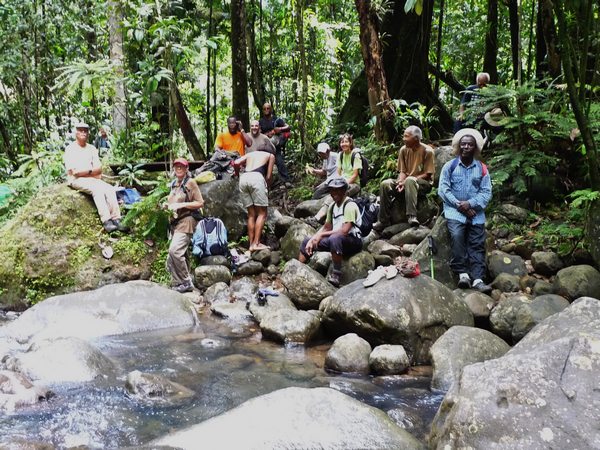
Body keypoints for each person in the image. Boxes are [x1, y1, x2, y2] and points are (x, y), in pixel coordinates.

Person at [438, 128, 492, 294]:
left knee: (477, 243)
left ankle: (477, 278)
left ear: (475, 147)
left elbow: (486, 191)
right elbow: (443, 190)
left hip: (475, 213)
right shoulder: (450, 166)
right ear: (458, 146)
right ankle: (462, 274)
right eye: (463, 144)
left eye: (470, 144)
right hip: (454, 210)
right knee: (457, 236)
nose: (466, 147)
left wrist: (470, 204)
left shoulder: (482, 168)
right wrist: (460, 205)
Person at [64, 121, 128, 233]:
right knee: (97, 190)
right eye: (80, 130)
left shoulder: (92, 148)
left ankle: (117, 219)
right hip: (77, 180)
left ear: (88, 133)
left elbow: (99, 169)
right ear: (76, 133)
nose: (83, 133)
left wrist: (86, 171)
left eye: (85, 131)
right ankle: (106, 221)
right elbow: (75, 173)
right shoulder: (70, 149)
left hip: (92, 179)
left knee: (109, 188)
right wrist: (91, 171)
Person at [298, 177, 363, 287]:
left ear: (344, 191)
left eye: (338, 190)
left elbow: (344, 231)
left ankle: (336, 274)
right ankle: (298, 269)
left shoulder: (350, 205)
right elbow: (327, 227)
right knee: (306, 241)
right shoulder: (332, 206)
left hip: (353, 241)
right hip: (337, 241)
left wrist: (321, 235)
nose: (334, 193)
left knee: (335, 238)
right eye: (332, 190)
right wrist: (314, 238)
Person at [373, 126, 434, 230]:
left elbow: (427, 174)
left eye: (407, 136)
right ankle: (383, 220)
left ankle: (412, 216)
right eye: (404, 136)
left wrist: (406, 181)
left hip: (423, 183)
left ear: (416, 138)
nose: (404, 139)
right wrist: (401, 182)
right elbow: (402, 171)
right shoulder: (403, 150)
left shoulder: (427, 151)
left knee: (410, 180)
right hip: (407, 180)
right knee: (385, 184)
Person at [165, 158, 204, 293]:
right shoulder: (173, 185)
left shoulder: (191, 183)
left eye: (182, 166)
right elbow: (172, 202)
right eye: (176, 166)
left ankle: (186, 282)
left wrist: (181, 205)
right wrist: (167, 206)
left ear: (187, 169)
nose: (179, 168)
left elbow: (199, 203)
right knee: (180, 253)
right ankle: (178, 283)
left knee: (174, 251)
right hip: (175, 223)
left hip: (187, 221)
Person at [233, 146, 276, 251]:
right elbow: (269, 176)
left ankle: (251, 244)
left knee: (251, 214)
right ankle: (256, 243)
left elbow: (236, 163)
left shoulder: (250, 154)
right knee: (262, 214)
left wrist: (237, 174)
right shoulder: (270, 155)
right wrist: (267, 186)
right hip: (256, 178)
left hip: (244, 178)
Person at [259, 102, 291, 183]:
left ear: (271, 109)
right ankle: (266, 182)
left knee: (279, 161)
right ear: (262, 110)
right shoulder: (261, 121)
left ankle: (286, 180)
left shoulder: (276, 119)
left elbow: (288, 127)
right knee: (264, 164)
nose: (266, 110)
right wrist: (266, 134)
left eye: (268, 108)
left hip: (275, 146)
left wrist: (279, 129)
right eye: (264, 109)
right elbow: (258, 133)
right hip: (265, 146)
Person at [336, 133, 361, 198]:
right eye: (342, 142)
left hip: (354, 183)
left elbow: (355, 175)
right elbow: (338, 173)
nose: (344, 144)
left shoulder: (355, 155)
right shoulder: (340, 155)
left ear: (350, 143)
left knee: (340, 194)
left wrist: (344, 185)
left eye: (346, 142)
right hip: (342, 181)